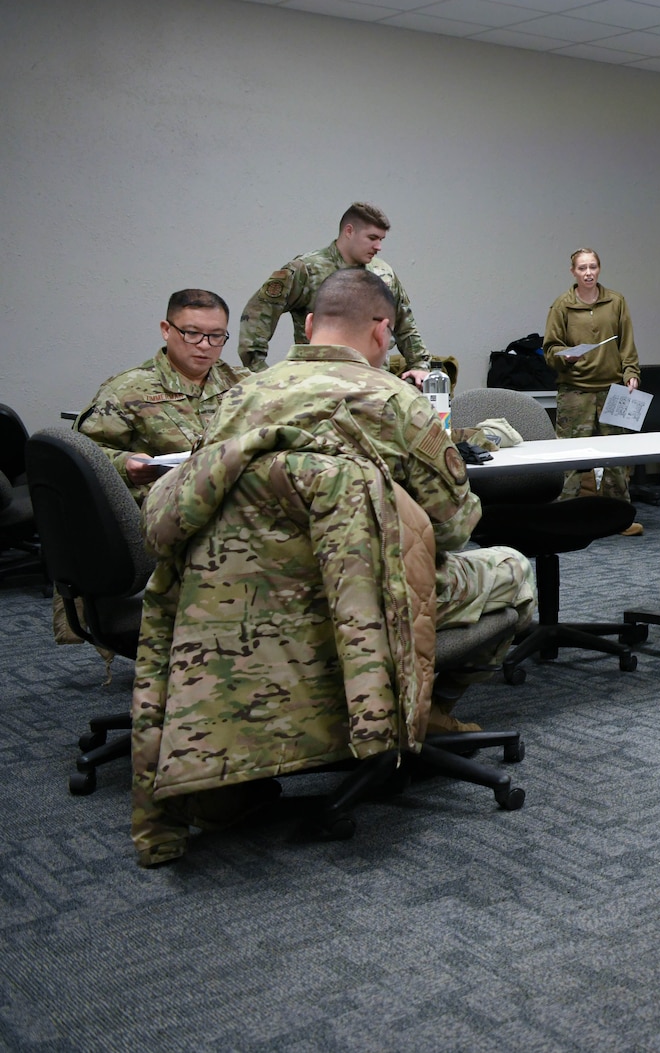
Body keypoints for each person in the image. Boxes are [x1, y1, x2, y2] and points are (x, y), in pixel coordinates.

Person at [128, 269, 535, 866]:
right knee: (513, 569)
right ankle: (428, 709)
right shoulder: (396, 401)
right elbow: (452, 527)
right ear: (382, 332)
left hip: (236, 612)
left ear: (311, 325)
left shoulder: (240, 396)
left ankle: (243, 774)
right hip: (362, 612)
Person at [78, 289, 248, 500]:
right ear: (166, 330)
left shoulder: (246, 383)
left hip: (239, 502)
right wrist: (125, 464)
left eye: (216, 336)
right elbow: (83, 454)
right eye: (192, 333)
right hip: (167, 509)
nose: (205, 345)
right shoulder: (127, 389)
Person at [238, 201, 430, 382]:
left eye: (381, 239)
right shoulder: (307, 269)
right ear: (349, 231)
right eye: (372, 238)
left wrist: (419, 364)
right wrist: (259, 371)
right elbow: (258, 314)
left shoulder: (384, 273)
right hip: (318, 383)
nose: (378, 247)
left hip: (374, 384)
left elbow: (405, 323)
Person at [544, 247, 643, 533]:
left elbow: (627, 344)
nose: (588, 273)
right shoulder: (562, 305)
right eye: (582, 268)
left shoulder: (616, 301)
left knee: (617, 458)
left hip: (613, 389)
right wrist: (565, 355)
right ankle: (564, 519)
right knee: (571, 458)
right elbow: (550, 349)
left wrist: (631, 373)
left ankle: (619, 518)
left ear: (599, 269)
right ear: (573, 272)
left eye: (593, 267)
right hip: (576, 390)